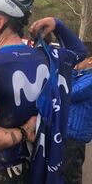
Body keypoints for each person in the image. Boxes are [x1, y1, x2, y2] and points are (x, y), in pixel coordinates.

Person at [0, 0, 87, 184]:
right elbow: (79, 52)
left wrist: (24, 131)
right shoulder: (49, 58)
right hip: (34, 168)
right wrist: (57, 24)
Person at [63, 42, 92, 184]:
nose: (75, 60)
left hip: (75, 137)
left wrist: (72, 69)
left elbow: (70, 94)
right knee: (63, 174)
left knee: (71, 177)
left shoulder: (90, 79)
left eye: (78, 57)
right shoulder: (83, 76)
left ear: (90, 60)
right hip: (69, 133)